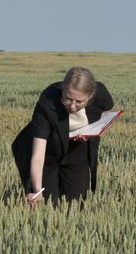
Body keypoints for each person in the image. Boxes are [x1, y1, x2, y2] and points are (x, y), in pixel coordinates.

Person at [11, 67, 114, 209]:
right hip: (48, 153)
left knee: (75, 206)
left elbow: (106, 115)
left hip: (77, 152)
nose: (72, 106)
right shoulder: (48, 100)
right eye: (67, 99)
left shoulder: (101, 94)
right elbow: (38, 155)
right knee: (47, 206)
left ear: (90, 97)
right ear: (63, 90)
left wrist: (89, 132)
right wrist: (36, 190)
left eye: (79, 102)